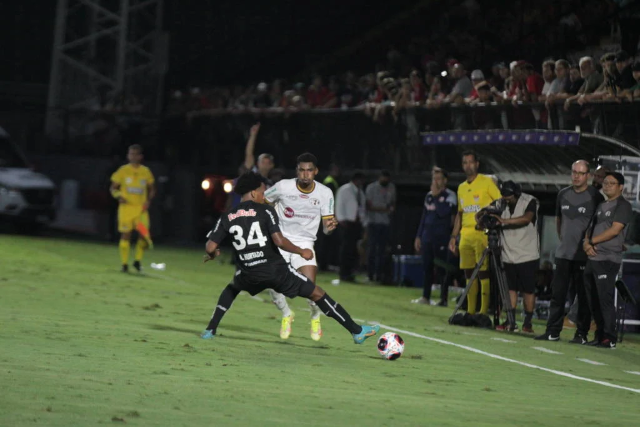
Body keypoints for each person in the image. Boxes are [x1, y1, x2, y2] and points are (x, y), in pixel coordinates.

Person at [200, 172, 379, 344]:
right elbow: (279, 241)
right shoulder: (266, 211)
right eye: (262, 192)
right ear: (254, 192)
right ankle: (356, 332)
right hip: (275, 271)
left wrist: (213, 254)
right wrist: (301, 251)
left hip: (248, 273)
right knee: (318, 293)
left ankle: (210, 329)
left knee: (232, 288)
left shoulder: (228, 216)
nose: (264, 196)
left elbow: (210, 247)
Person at [263, 153, 338, 341]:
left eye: (309, 170)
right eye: (302, 170)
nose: (305, 174)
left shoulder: (325, 193)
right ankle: (287, 314)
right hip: (280, 241)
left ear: (316, 171)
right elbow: (264, 202)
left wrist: (329, 228)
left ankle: (315, 316)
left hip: (305, 243)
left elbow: (327, 227)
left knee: (309, 288)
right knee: (272, 284)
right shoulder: (283, 187)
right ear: (297, 171)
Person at [535, 160, 603, 342]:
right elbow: (559, 221)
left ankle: (581, 334)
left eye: (580, 173)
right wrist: (565, 241)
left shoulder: (596, 197)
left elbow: (600, 225)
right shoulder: (562, 194)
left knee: (583, 296)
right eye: (574, 172)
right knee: (557, 294)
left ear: (588, 176)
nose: (576, 176)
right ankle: (552, 331)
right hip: (563, 254)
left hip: (584, 255)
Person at [582, 172, 632, 349]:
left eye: (612, 183)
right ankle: (599, 334)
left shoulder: (623, 205)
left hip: (608, 258)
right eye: (606, 182)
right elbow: (591, 227)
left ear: (621, 187)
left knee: (605, 298)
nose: (608, 185)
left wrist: (592, 242)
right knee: (593, 298)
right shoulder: (601, 205)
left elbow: (615, 230)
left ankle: (609, 338)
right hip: (593, 256)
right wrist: (586, 243)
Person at [448, 150, 501, 315]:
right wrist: (453, 236)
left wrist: (489, 218)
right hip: (465, 235)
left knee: (483, 272)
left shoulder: (486, 182)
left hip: (481, 233)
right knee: (468, 272)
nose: (468, 165)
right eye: (465, 163)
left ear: (477, 164)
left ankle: (483, 311)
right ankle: (470, 312)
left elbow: (499, 202)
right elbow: (460, 213)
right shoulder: (461, 188)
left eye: (471, 162)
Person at [484, 181, 540, 333]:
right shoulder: (500, 203)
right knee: (510, 289)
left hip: (527, 254)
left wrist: (503, 221)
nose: (506, 199)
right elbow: (482, 214)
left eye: (509, 197)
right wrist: (484, 216)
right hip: (508, 253)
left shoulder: (530, 201)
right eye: (504, 196)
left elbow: (526, 218)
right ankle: (511, 321)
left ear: (516, 194)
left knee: (528, 290)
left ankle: (527, 323)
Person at [412, 168, 457, 305]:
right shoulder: (428, 196)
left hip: (442, 238)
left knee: (443, 269)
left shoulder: (450, 195)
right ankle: (426, 297)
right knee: (427, 267)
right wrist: (418, 236)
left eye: (438, 178)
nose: (435, 181)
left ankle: (443, 299)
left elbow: (444, 213)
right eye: (434, 179)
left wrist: (437, 196)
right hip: (427, 237)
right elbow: (424, 217)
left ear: (445, 180)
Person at [110, 144, 156, 272]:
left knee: (144, 235)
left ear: (140, 156)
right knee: (126, 235)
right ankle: (124, 264)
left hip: (141, 210)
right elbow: (113, 188)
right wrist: (118, 195)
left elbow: (152, 189)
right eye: (130, 154)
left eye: (135, 154)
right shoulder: (123, 171)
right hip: (126, 209)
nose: (132, 156)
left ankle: (137, 261)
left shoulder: (145, 171)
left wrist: (148, 201)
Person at [365, 170, 396, 282]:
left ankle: (379, 275)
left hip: (385, 223)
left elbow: (393, 204)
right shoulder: (371, 188)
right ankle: (370, 274)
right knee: (372, 249)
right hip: (373, 222)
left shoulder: (391, 187)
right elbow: (369, 206)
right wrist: (384, 209)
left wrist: (387, 209)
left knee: (382, 251)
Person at [336, 172, 366, 282]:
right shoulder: (345, 190)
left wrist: (363, 221)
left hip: (356, 223)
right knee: (346, 249)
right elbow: (339, 204)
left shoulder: (360, 192)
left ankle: (350, 273)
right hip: (346, 222)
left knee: (353, 250)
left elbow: (361, 208)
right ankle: (343, 273)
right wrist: (341, 219)